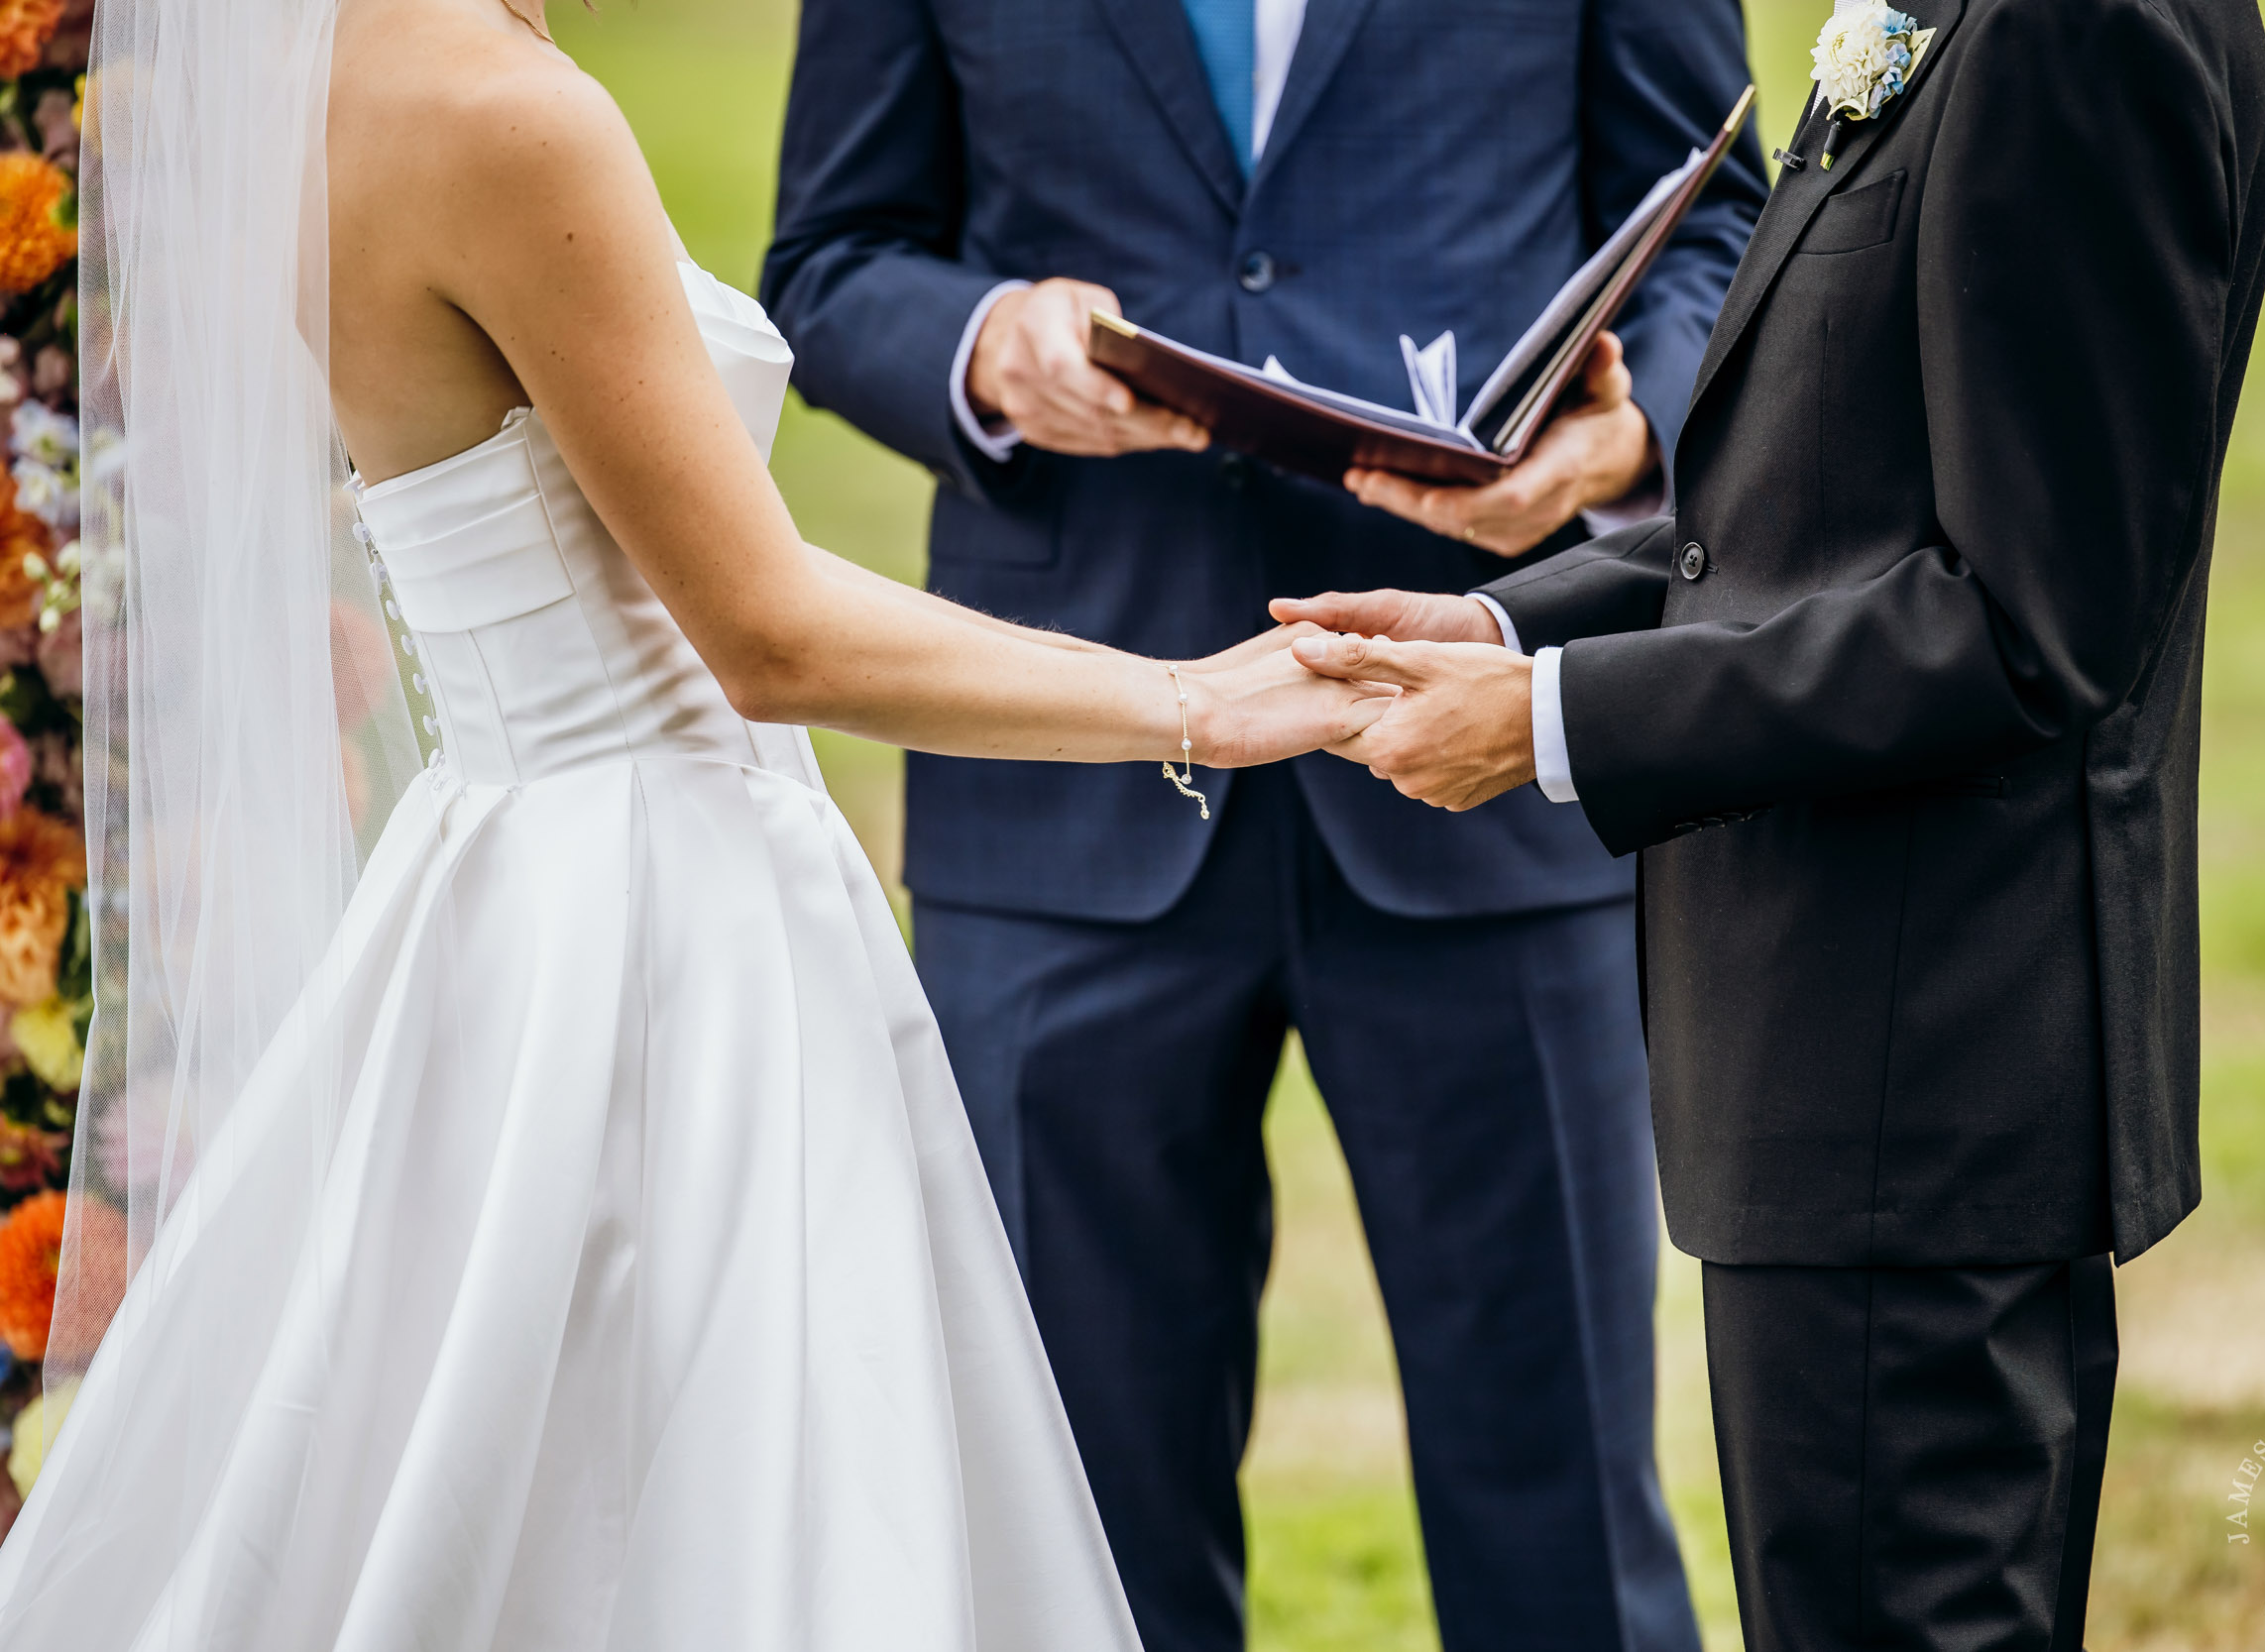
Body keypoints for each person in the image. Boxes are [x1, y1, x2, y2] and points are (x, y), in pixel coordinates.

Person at [0, 0, 1385, 1642]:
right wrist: (1194, 703)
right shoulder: (502, 110)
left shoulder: (321, 92)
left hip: (497, 874)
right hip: (662, 923)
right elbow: (766, 634)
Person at [1280, 0, 2265, 1647]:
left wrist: (1550, 728)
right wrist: (1510, 629)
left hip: (1923, 1074)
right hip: (1840, 1082)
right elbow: (1810, 510)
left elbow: (2024, 621)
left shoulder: (2076, 29)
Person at [761, 5, 1762, 1647]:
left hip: (1485, 742)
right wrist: (987, 345)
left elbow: (1715, 204)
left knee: (1566, 1508)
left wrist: (1631, 427)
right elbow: (833, 258)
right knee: (1077, 1522)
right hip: (1065, 783)